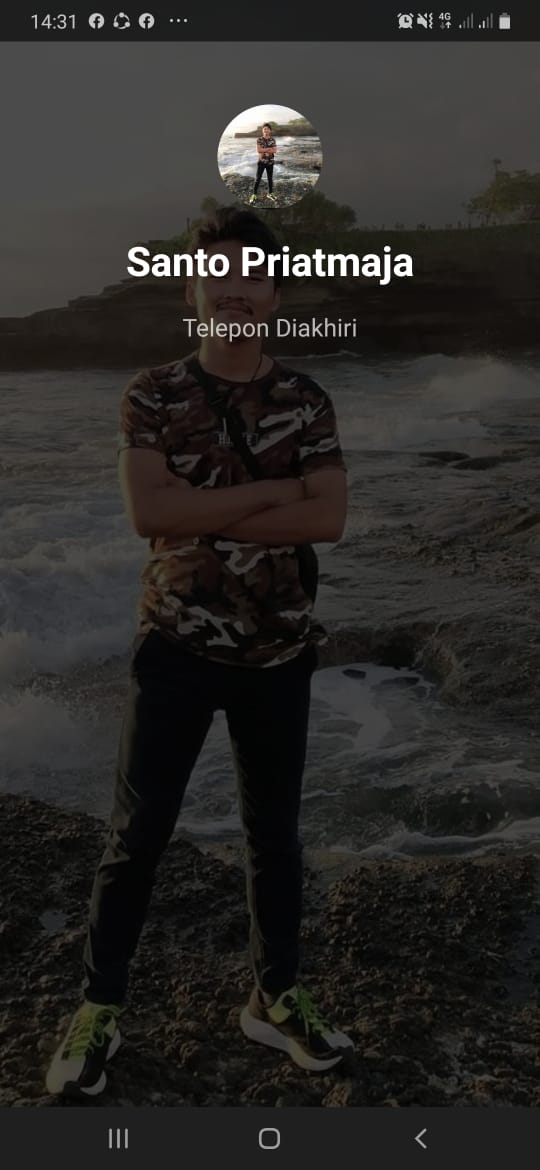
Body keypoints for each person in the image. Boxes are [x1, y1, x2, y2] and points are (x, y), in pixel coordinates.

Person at [45, 206, 352, 1099]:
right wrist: (275, 492)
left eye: (252, 275)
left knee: (275, 837)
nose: (235, 289)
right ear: (194, 291)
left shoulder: (306, 399)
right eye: (219, 274)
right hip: (175, 645)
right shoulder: (152, 393)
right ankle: (99, 1007)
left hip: (280, 652)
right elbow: (150, 514)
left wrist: (204, 508)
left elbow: (329, 518)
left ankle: (275, 996)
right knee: (136, 835)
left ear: (274, 294)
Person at [249, 122, 277, 204]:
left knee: (270, 178)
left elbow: (275, 150)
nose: (266, 130)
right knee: (258, 178)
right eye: (264, 129)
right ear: (262, 130)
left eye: (267, 129)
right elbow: (259, 150)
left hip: (270, 162)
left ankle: (270, 193)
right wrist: (269, 149)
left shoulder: (273, 140)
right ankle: (254, 194)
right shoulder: (259, 139)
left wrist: (264, 150)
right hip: (261, 162)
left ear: (270, 130)